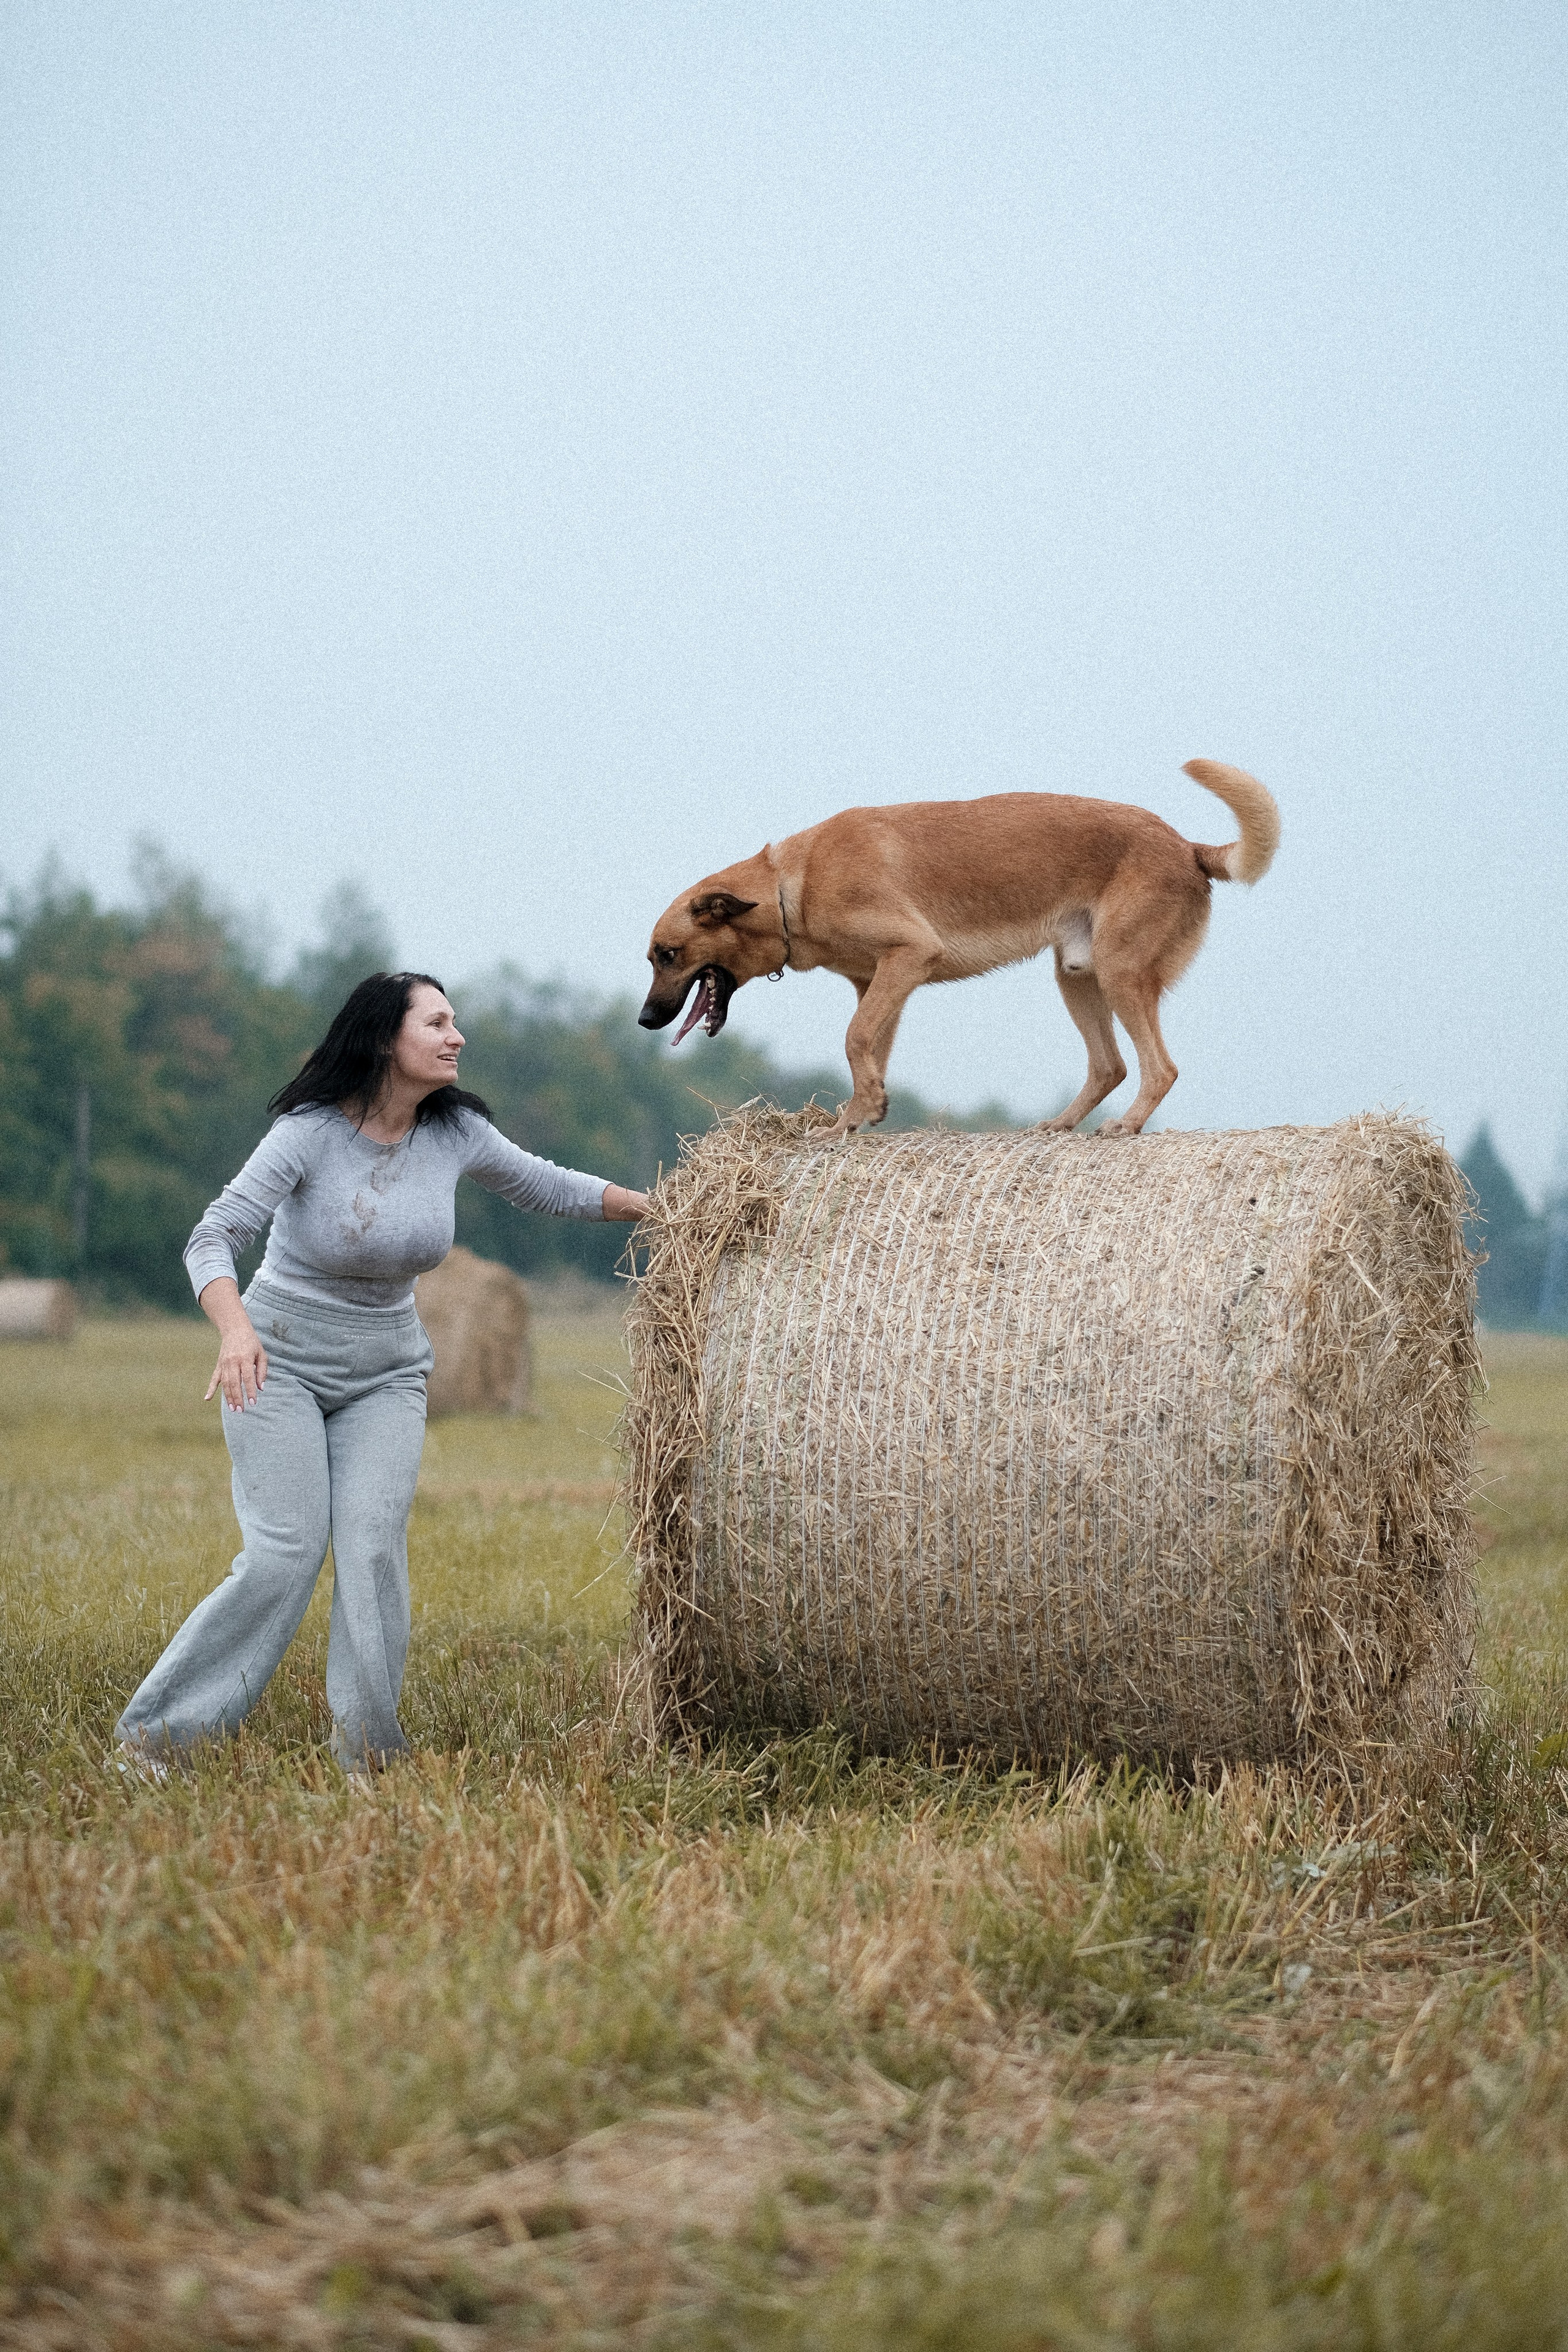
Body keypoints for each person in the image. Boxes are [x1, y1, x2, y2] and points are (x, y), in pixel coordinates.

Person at [115, 971, 648, 1779]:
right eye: (436, 1022)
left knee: (370, 1549)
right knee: (283, 1555)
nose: (455, 1035)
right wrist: (234, 1331)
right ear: (383, 1039)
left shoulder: (455, 1131)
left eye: (455, 1020)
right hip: (279, 1360)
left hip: (388, 1372)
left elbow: (547, 1184)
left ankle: (369, 1758)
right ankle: (158, 1740)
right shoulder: (308, 1133)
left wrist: (657, 1207)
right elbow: (213, 1236)